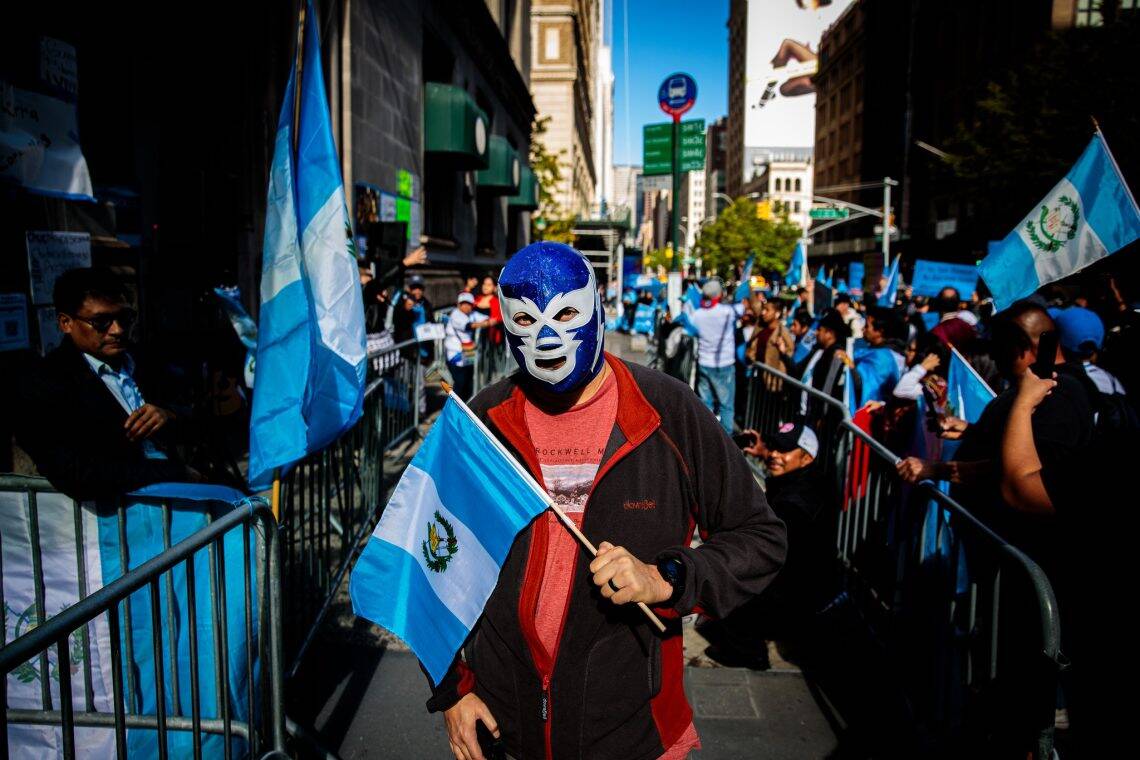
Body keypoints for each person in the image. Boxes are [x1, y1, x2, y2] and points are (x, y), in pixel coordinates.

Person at [430, 242, 787, 760]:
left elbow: (760, 537)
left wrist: (669, 577)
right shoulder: (483, 420)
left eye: (566, 313)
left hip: (631, 732)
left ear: (597, 308)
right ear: (506, 326)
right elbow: (430, 566)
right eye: (527, 321)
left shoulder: (669, 411)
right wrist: (452, 691)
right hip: (505, 728)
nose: (547, 337)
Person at [13, 268, 201, 500]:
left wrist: (169, 416)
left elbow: (203, 421)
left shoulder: (146, 361)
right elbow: (75, 473)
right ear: (66, 323)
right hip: (112, 523)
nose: (118, 330)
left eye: (125, 318)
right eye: (101, 321)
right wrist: (173, 472)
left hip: (182, 507)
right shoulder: (43, 383)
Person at [700, 422, 832, 670]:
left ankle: (748, 652)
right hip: (804, 583)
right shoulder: (807, 478)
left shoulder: (795, 504)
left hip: (797, 594)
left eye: (784, 451)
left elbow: (766, 555)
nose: (774, 455)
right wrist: (761, 452)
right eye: (773, 448)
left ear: (806, 458)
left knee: (725, 579)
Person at [681, 279, 744, 435]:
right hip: (724, 366)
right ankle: (726, 441)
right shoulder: (727, 312)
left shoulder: (697, 315)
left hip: (704, 364)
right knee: (726, 406)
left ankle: (706, 436)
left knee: (706, 404)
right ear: (719, 294)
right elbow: (745, 307)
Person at [444, 292, 494, 400]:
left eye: (468, 304)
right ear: (458, 304)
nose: (466, 306)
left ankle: (465, 410)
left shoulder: (472, 314)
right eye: (463, 303)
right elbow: (468, 326)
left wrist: (488, 321)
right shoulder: (456, 315)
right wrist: (485, 324)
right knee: (460, 385)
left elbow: (487, 318)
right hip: (455, 355)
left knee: (468, 384)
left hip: (468, 354)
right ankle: (453, 410)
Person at [853, 307, 907, 404]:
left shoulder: (882, 358)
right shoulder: (882, 352)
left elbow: (868, 392)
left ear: (879, 332)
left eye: (867, 326)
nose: (863, 329)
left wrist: (849, 365)